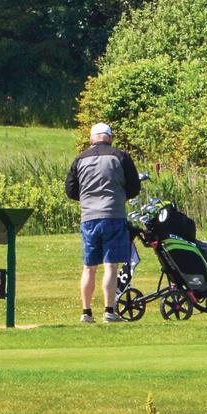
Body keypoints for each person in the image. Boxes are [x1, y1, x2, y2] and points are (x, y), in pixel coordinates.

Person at [65, 122, 141, 324]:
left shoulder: (80, 159)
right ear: (110, 137)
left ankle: (86, 312)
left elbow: (70, 190)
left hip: (89, 217)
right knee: (110, 266)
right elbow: (134, 187)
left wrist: (87, 199)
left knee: (89, 267)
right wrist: (119, 197)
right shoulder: (121, 156)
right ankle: (109, 311)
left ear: (92, 138)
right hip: (113, 215)